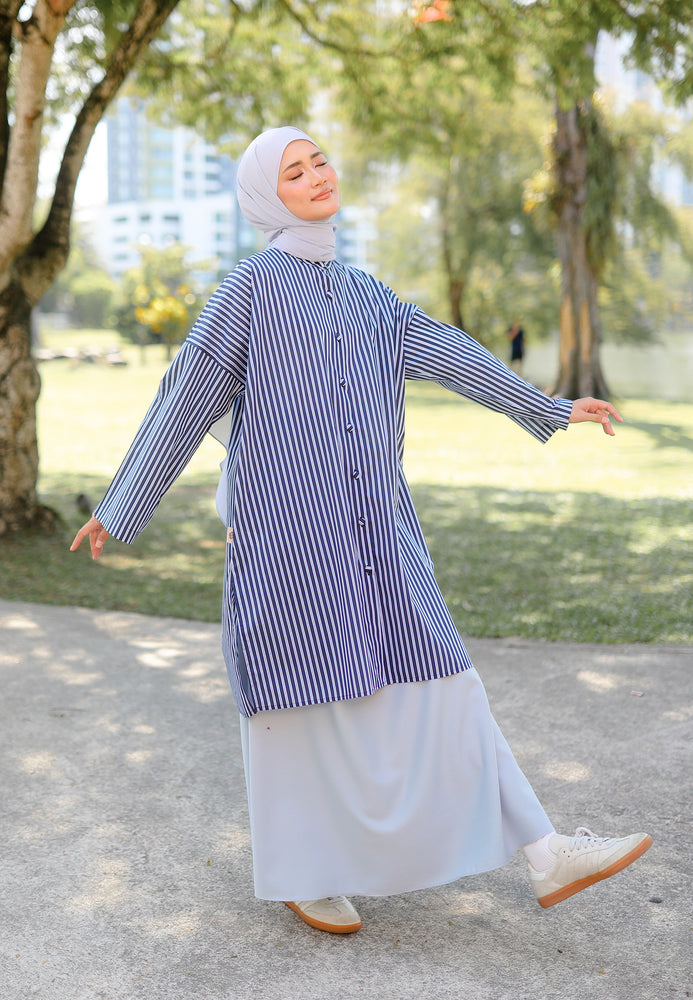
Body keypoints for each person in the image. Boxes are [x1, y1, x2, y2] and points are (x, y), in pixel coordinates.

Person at [71, 126, 651, 935]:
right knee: (295, 703)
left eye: (319, 161)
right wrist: (122, 501)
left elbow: (450, 353)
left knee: (444, 680)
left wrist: (549, 406)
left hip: (378, 536)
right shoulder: (249, 290)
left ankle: (545, 851)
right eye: (294, 171)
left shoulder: (367, 294)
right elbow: (188, 392)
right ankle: (302, 875)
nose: (317, 176)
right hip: (289, 540)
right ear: (266, 197)